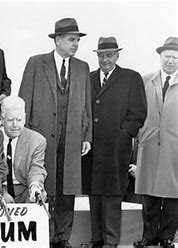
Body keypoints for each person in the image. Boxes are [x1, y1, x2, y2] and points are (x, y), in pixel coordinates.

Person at [18, 17, 92, 248]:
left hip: (71, 138)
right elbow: (24, 100)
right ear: (57, 40)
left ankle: (62, 239)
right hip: (41, 136)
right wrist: (24, 136)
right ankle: (43, 236)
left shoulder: (82, 67)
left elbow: (86, 104)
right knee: (43, 185)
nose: (76, 44)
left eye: (78, 40)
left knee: (67, 189)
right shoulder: (36, 63)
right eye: (71, 39)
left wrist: (87, 135)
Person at [81, 36, 147, 248]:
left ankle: (111, 242)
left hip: (116, 149)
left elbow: (138, 112)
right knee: (94, 194)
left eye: (109, 55)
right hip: (91, 148)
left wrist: (123, 134)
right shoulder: (88, 78)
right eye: (101, 55)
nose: (105, 59)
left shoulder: (131, 78)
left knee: (112, 195)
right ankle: (97, 239)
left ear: (117, 55)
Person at [133, 37, 178, 248]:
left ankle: (167, 237)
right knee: (149, 195)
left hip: (174, 147)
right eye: (167, 56)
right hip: (149, 145)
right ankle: (148, 236)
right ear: (160, 56)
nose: (171, 61)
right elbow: (137, 111)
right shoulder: (145, 80)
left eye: (175, 57)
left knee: (172, 195)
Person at [0, 96, 47, 204]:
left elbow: (37, 168)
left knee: (40, 196)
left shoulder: (37, 140)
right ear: (2, 119)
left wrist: (34, 186)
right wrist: (0, 192)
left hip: (24, 188)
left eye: (19, 120)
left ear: (25, 118)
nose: (15, 125)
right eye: (10, 120)